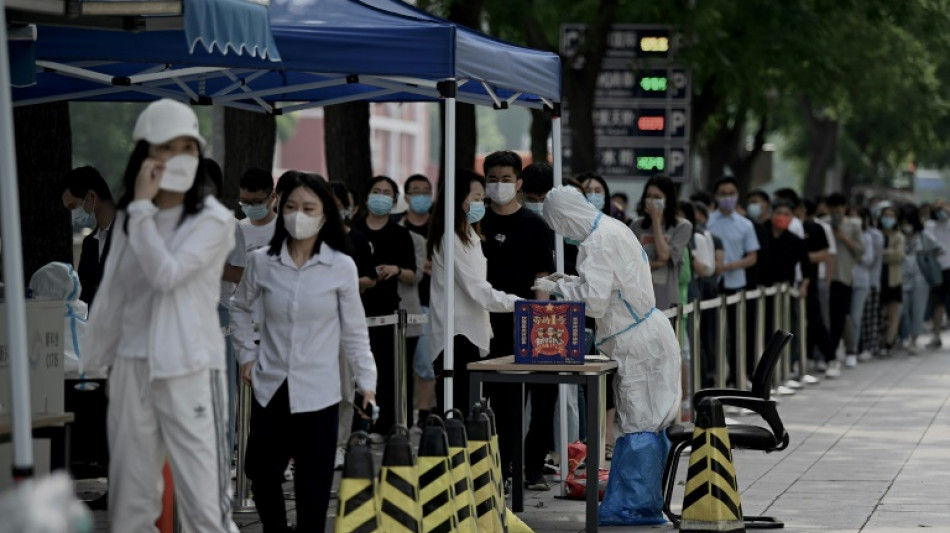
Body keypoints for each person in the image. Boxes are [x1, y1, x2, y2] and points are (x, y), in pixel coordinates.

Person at [81, 98, 238, 532]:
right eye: (167, 147)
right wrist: (99, 364)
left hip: (189, 367)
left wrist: (144, 211)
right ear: (146, 155)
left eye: (188, 147)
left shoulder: (213, 220)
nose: (179, 158)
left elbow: (167, 275)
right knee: (132, 504)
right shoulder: (134, 216)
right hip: (133, 366)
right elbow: (114, 293)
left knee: (205, 505)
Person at [232, 172, 377, 533]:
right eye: (292, 207)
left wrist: (367, 384)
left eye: (308, 207)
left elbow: (355, 331)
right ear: (280, 210)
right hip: (271, 385)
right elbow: (239, 307)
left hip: (320, 390)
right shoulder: (262, 262)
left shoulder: (340, 266)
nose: (299, 214)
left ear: (325, 213)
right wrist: (246, 355)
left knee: (313, 486)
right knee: (261, 472)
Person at [533, 186, 680, 524]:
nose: (561, 233)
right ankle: (640, 502)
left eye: (558, 225)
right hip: (644, 335)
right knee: (643, 422)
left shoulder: (596, 243)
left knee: (638, 424)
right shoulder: (613, 229)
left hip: (638, 344)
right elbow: (611, 287)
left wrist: (560, 287)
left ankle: (635, 508)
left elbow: (596, 301)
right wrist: (571, 279)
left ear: (565, 217)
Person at [480, 150, 555, 490]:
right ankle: (499, 465)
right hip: (485, 320)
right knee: (496, 398)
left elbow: (543, 274)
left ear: (519, 183)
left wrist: (539, 319)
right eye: (492, 179)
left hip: (525, 320)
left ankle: (526, 466)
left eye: (506, 179)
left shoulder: (534, 224)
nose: (499, 185)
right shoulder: (476, 223)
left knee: (531, 398)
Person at [427, 168, 520, 420]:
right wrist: (519, 304)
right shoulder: (452, 238)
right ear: (458, 199)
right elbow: (477, 289)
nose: (480, 204)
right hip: (457, 333)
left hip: (471, 331)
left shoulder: (470, 235)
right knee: (458, 410)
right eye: (475, 198)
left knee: (471, 411)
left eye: (482, 199)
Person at [353, 176, 417, 432]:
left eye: (386, 193)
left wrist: (395, 269)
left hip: (387, 311)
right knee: (355, 371)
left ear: (393, 200)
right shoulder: (355, 231)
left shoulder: (400, 234)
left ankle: (386, 426)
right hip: (356, 308)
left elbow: (412, 273)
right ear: (367, 197)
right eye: (376, 191)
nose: (380, 196)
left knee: (387, 372)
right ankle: (357, 426)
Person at [328, 180, 378, 469]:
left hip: (346, 320)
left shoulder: (355, 241)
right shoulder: (306, 242)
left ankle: (339, 443)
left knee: (345, 389)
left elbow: (369, 278)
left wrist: (344, 285)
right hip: (310, 327)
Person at [205, 159, 247, 453]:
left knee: (223, 389)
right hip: (185, 312)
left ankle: (225, 449)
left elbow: (239, 272)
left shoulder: (230, 225)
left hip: (219, 310)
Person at [706, 177, 760, 385]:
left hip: (736, 283)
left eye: (731, 193)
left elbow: (753, 257)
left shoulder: (745, 225)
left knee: (738, 332)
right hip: (712, 282)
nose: (727, 197)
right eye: (723, 193)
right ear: (716, 196)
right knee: (714, 332)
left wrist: (729, 266)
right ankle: (714, 374)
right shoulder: (709, 222)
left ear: (737, 196)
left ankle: (740, 374)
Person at [398, 174, 437, 428]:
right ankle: (399, 413)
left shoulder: (438, 227)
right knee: (401, 364)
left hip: (433, 301)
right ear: (406, 196)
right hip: (405, 301)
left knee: (426, 363)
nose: (421, 195)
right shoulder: (398, 229)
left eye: (426, 191)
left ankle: (423, 414)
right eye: (416, 191)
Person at [629, 175, 692, 311]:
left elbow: (664, 255)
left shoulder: (682, 226)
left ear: (668, 200)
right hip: (639, 297)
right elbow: (630, 263)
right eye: (649, 196)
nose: (652, 201)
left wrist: (656, 222)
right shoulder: (637, 225)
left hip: (666, 299)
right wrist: (654, 264)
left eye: (657, 197)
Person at [60, 166, 116, 305]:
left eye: (73, 206)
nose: (73, 214)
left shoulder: (131, 233)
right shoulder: (89, 243)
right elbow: (84, 296)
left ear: (91, 197)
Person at [823, 192, 864, 370]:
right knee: (828, 315)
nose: (836, 212)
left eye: (839, 208)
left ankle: (846, 351)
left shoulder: (854, 225)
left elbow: (860, 251)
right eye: (832, 209)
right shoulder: (823, 224)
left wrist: (843, 237)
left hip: (844, 276)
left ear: (844, 208)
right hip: (827, 276)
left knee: (841, 315)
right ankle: (830, 352)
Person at [898, 204, 943, 354]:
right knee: (902, 308)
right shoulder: (898, 235)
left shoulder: (923, 235)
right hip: (901, 275)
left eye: (909, 222)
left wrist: (926, 256)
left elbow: (940, 249)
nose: (906, 226)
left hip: (920, 276)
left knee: (918, 308)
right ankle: (902, 336)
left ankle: (913, 339)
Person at [879, 206, 906, 355]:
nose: (888, 219)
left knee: (893, 312)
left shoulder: (898, 236)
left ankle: (889, 341)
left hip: (893, 279)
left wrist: (882, 254)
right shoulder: (877, 234)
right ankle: (879, 341)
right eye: (885, 215)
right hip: (878, 279)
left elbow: (899, 255)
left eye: (891, 216)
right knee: (879, 313)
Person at [926, 201, 950, 348]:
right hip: (936, 269)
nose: (941, 211)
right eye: (938, 209)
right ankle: (936, 335)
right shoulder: (930, 226)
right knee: (938, 303)